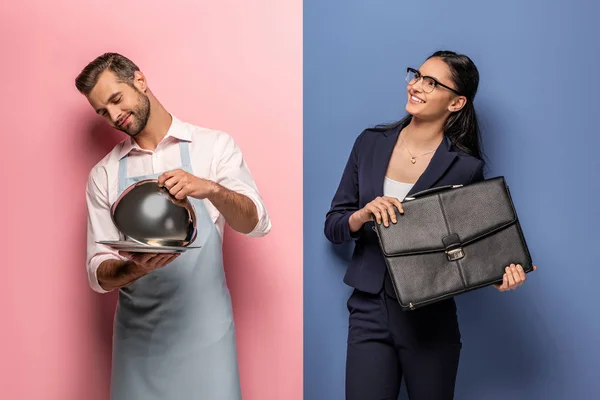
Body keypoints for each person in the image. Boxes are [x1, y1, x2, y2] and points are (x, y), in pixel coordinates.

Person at [324, 50, 537, 400]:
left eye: (431, 82)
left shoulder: (465, 168)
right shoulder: (369, 143)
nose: (416, 86)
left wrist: (499, 275)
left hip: (431, 319)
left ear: (456, 103)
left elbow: (467, 248)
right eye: (417, 76)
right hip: (369, 310)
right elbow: (334, 226)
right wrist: (362, 215)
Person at [76, 52, 271, 400]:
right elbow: (97, 271)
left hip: (207, 339)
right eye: (103, 112)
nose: (115, 116)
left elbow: (255, 222)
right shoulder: (104, 174)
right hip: (139, 346)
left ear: (140, 80)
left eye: (116, 100)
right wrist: (133, 268)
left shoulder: (213, 146)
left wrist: (210, 189)